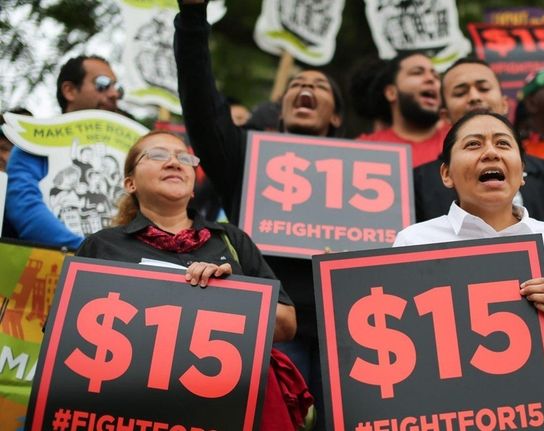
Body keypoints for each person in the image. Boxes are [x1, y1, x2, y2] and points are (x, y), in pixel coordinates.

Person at [174, 1, 344, 427]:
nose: (305, 87)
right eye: (296, 84)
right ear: (282, 106)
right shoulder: (246, 156)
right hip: (272, 324)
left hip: (347, 326)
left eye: (319, 85)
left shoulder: (379, 170)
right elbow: (202, 108)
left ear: (336, 115)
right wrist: (193, 19)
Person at [76, 130, 310, 429]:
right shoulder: (102, 246)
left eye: (185, 158)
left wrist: (228, 293)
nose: (175, 162)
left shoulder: (231, 240)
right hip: (134, 408)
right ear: (130, 183)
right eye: (158, 155)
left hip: (228, 406)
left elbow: (286, 324)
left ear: (193, 186)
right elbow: (64, 336)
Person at [394, 111, 544, 431]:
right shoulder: (413, 242)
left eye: (503, 143)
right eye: (473, 144)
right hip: (450, 418)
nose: (490, 152)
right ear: (446, 174)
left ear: (522, 173)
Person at [414, 57, 544, 272]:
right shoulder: (416, 183)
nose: (474, 97)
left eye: (483, 88)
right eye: (460, 92)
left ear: (503, 103)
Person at [5, 55, 123, 249]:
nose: (113, 94)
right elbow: (26, 208)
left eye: (117, 88)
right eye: (103, 84)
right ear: (69, 91)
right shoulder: (34, 144)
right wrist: (91, 252)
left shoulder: (131, 152)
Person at [355, 52, 451, 167]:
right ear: (391, 93)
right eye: (417, 73)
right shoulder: (363, 149)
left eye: (436, 76)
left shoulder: (462, 140)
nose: (431, 79)